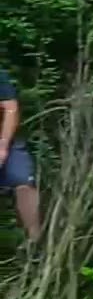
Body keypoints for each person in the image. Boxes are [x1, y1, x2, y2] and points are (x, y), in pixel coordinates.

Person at [0, 68, 42, 246]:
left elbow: (11, 108)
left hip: (6, 140)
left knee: (23, 182)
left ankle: (36, 242)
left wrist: (2, 146)